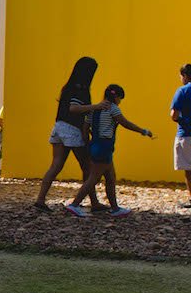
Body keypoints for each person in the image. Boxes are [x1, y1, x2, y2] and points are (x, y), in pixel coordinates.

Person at [33, 57, 110, 211]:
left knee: (55, 165)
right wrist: (96, 106)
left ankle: (40, 200)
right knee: (87, 167)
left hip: (59, 127)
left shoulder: (67, 87)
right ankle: (93, 202)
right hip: (72, 129)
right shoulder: (80, 89)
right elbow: (74, 108)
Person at [65, 85, 153, 217]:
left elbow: (85, 127)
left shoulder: (94, 109)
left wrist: (87, 143)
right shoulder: (113, 109)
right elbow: (125, 123)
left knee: (111, 177)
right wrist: (143, 131)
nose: (120, 101)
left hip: (95, 145)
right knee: (93, 178)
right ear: (116, 97)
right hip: (104, 146)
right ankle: (75, 205)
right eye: (120, 98)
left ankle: (115, 208)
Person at [170, 64, 191, 208]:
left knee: (189, 169)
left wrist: (181, 120)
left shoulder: (182, 91)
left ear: (185, 75)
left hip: (187, 134)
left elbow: (174, 115)